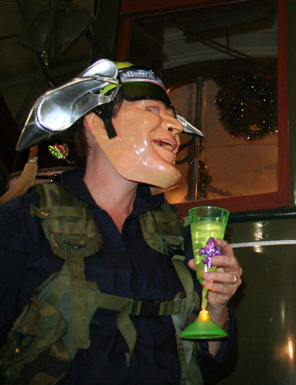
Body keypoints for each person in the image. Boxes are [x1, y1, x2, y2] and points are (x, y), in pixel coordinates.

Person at [0, 60, 243, 384]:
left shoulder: (177, 236)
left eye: (171, 117)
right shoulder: (23, 222)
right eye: (152, 109)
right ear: (96, 122)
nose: (174, 126)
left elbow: (212, 364)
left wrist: (217, 307)